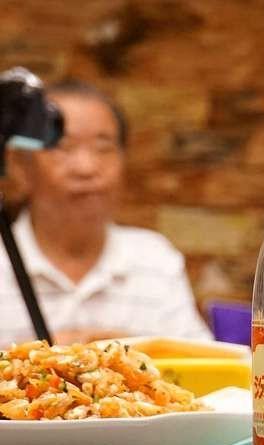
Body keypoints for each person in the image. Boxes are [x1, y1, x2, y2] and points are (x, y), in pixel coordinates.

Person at [1, 80, 211, 345]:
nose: (86, 168)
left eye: (103, 148)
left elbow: (205, 361)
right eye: (63, 147)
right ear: (20, 164)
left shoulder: (155, 259)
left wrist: (129, 350)